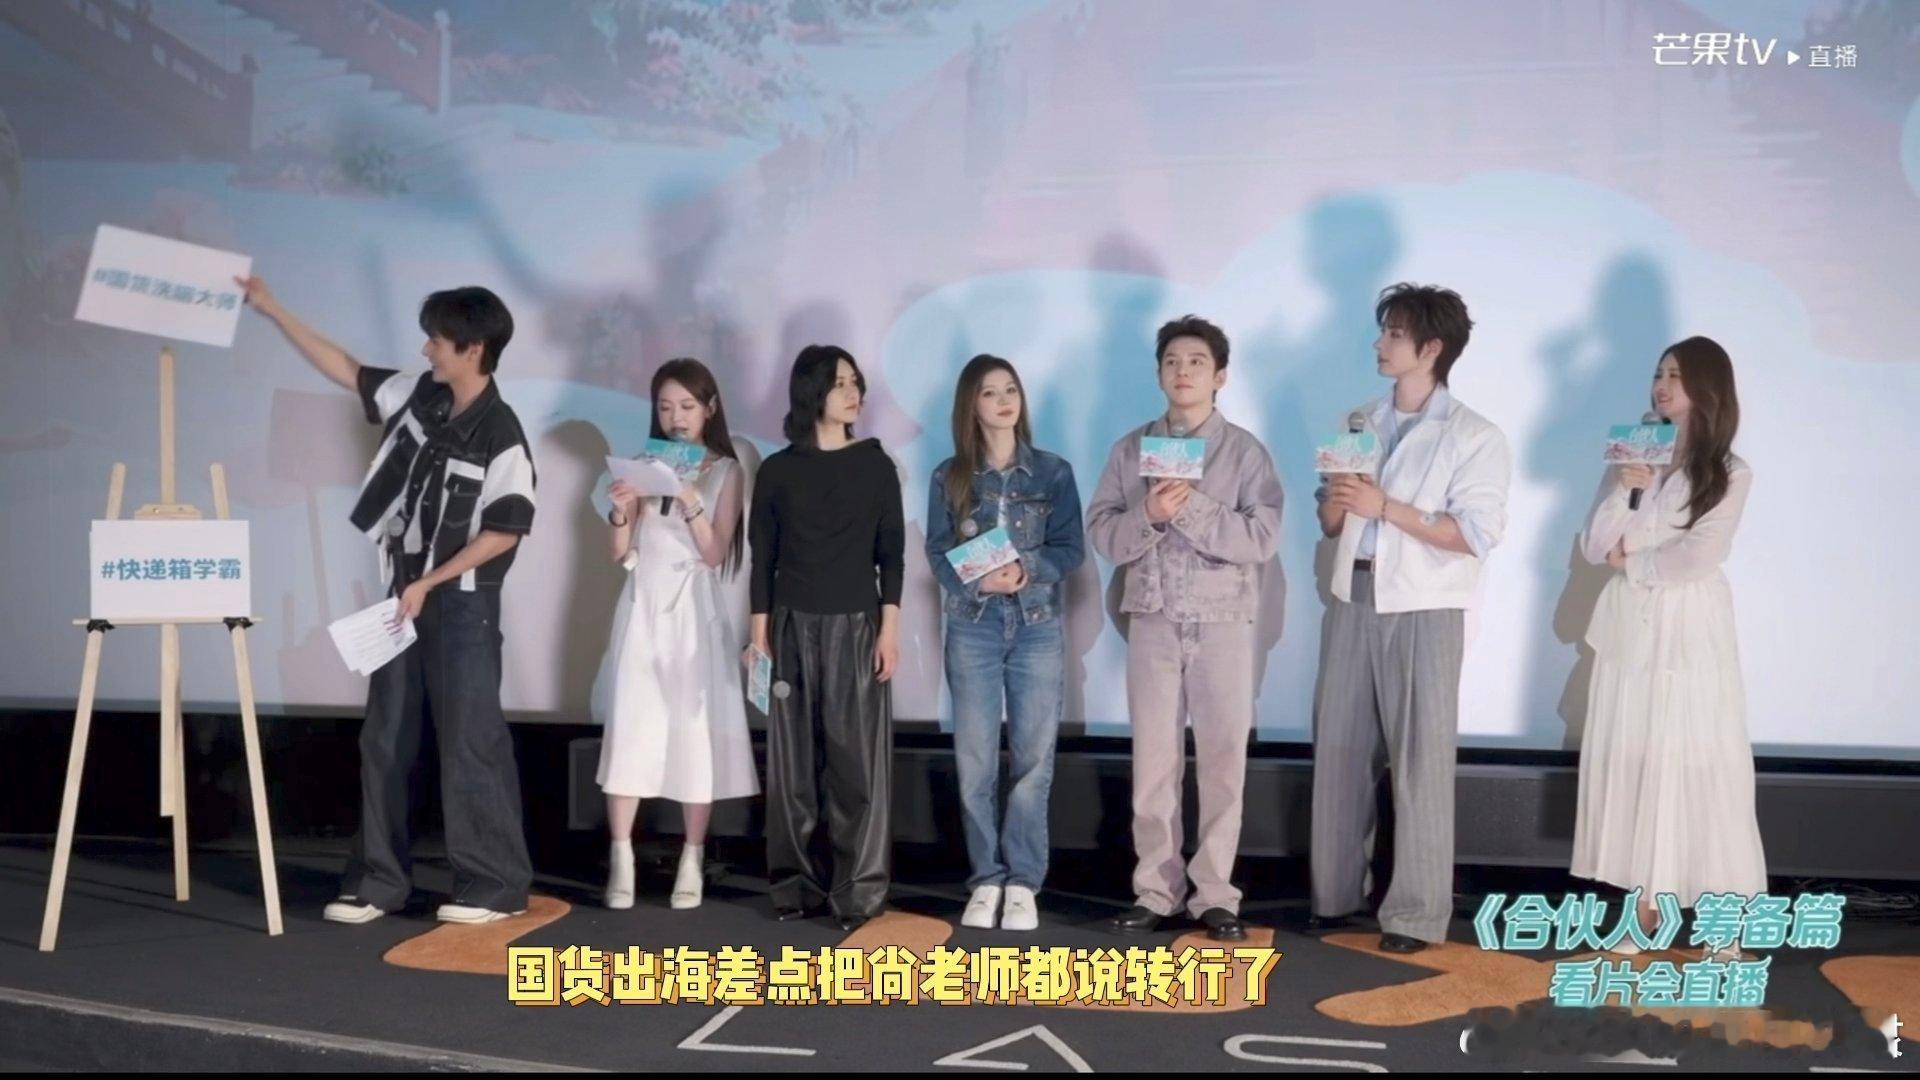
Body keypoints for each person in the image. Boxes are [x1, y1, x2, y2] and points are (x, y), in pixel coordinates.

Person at [238, 275, 535, 925]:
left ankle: (494, 884)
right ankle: (378, 881)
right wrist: (272, 307)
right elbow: (347, 369)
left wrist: (430, 581)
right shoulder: (421, 397)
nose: (427, 349)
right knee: (386, 738)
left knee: (470, 740)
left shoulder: (501, 431)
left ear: (474, 349)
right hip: (403, 600)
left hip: (462, 606)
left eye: (438, 340)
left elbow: (505, 529)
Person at [1309, 282, 1511, 953]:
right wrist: (1338, 503)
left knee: (1421, 760)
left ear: (1431, 348)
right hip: (1354, 591)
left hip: (1425, 605)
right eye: (1384, 331)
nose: (1380, 343)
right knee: (1340, 749)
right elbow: (1331, 516)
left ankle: (1416, 916)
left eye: (1394, 334)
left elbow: (1475, 533)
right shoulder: (1359, 420)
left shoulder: (1475, 435)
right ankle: (1335, 897)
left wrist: (1385, 508)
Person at [1086, 315, 1284, 942]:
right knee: (1153, 762)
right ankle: (1155, 889)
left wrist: (1192, 506)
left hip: (1222, 621)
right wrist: (1147, 512)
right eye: (1172, 361)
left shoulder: (1245, 452)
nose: (1183, 371)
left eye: (1197, 362)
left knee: (1223, 760)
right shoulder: (1130, 449)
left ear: (1220, 376)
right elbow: (1102, 532)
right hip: (1152, 618)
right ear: (1158, 374)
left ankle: (1216, 894)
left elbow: (1261, 537)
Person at [1573, 336, 1764, 961]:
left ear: (1707, 388)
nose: (1662, 385)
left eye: (1676, 375)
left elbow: (1700, 554)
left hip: (1689, 627)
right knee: (1636, 761)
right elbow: (1594, 545)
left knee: (1697, 762)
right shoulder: (1636, 455)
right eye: (1659, 373)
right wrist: (1626, 489)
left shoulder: (1731, 472)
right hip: (1631, 627)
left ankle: (1723, 925)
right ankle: (1642, 911)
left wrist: (1632, 562)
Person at [747, 345, 905, 931]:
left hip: (857, 625)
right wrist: (759, 638)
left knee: (856, 768)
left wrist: (889, 631)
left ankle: (858, 892)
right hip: (789, 626)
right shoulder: (777, 470)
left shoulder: (876, 466)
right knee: (791, 769)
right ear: (812, 391)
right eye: (840, 383)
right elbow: (762, 559)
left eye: (855, 381)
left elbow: (892, 557)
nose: (852, 392)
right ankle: (794, 887)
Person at [926, 355, 1084, 931]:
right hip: (974, 625)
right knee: (974, 760)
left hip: (1035, 623)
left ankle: (1022, 880)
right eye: (990, 392)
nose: (1003, 401)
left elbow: (1070, 548)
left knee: (1033, 758)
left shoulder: (1053, 472)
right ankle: (986, 877)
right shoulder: (950, 476)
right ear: (971, 405)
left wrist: (1027, 568)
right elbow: (938, 551)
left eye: (1011, 389)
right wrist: (978, 579)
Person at [594, 358, 759, 911]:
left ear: (709, 408)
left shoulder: (725, 471)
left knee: (694, 732)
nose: (676, 417)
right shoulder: (643, 464)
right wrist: (621, 512)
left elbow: (714, 553)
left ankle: (692, 857)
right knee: (632, 725)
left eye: (687, 405)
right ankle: (622, 857)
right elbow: (620, 553)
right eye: (665, 407)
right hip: (643, 602)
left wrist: (689, 500)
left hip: (693, 610)